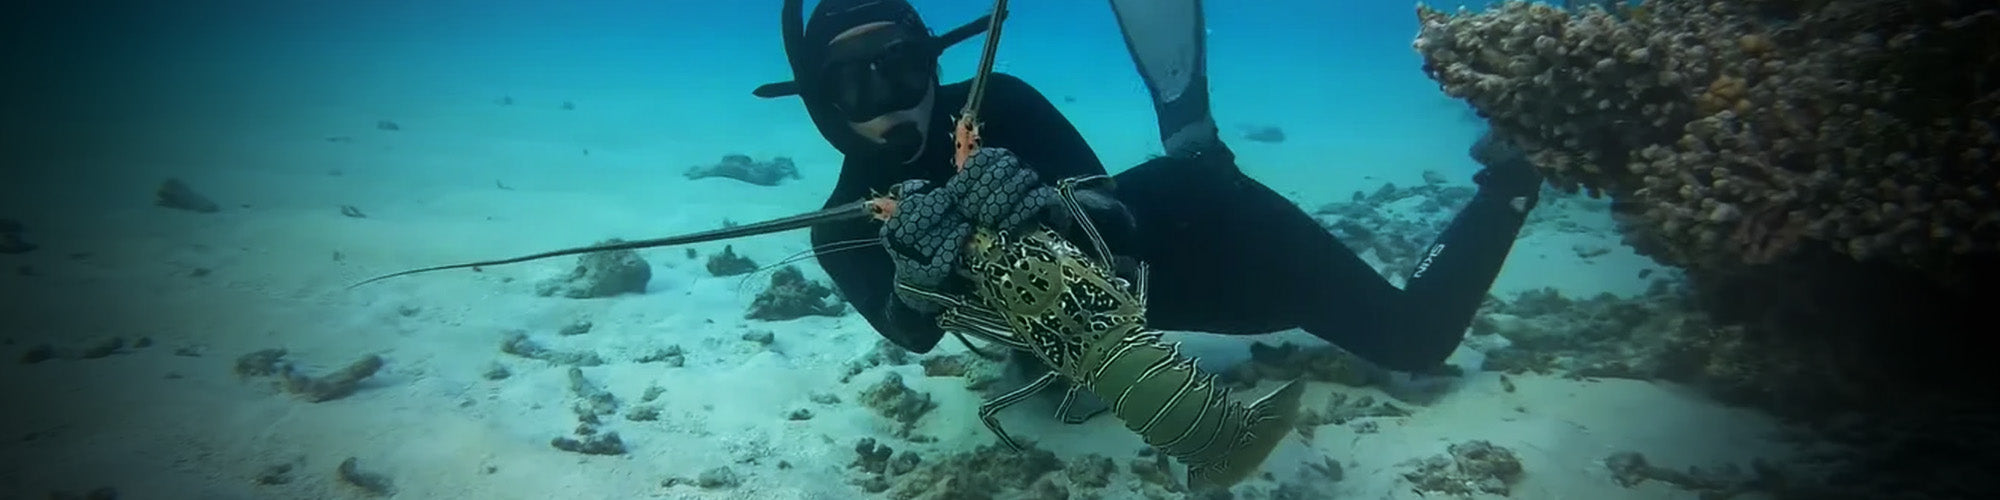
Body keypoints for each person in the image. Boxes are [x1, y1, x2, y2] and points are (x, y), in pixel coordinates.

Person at [754, 0, 1543, 373]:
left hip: (1189, 238)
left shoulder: (1002, 102)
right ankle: (1192, 138)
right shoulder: (840, 224)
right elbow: (916, 336)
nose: (890, 98)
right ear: (823, 101)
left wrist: (1050, 211)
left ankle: (1513, 175)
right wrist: (919, 286)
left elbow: (1120, 220)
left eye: (902, 66)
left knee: (1416, 342)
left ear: (933, 61)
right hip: (1060, 331)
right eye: (856, 87)